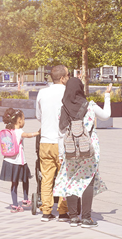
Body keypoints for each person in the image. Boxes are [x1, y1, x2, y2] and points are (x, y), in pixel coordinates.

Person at [52, 76, 102, 228]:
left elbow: (61, 132)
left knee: (71, 179)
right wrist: (107, 95)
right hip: (89, 149)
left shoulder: (64, 107)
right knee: (88, 181)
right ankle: (86, 218)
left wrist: (61, 154)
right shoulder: (90, 105)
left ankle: (74, 217)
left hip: (70, 149)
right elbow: (106, 115)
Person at [33, 64, 69, 220]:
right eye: (68, 75)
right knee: (64, 177)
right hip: (63, 142)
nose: (69, 78)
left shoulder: (42, 93)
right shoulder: (68, 93)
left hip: (46, 141)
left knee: (46, 178)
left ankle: (46, 211)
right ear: (62, 78)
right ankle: (63, 211)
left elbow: (38, 116)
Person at [0, 108, 31, 212]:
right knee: (25, 179)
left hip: (8, 161)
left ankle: (14, 204)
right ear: (19, 121)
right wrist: (38, 132)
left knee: (14, 183)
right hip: (19, 162)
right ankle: (25, 199)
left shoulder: (9, 131)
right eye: (24, 119)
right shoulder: (19, 131)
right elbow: (28, 135)